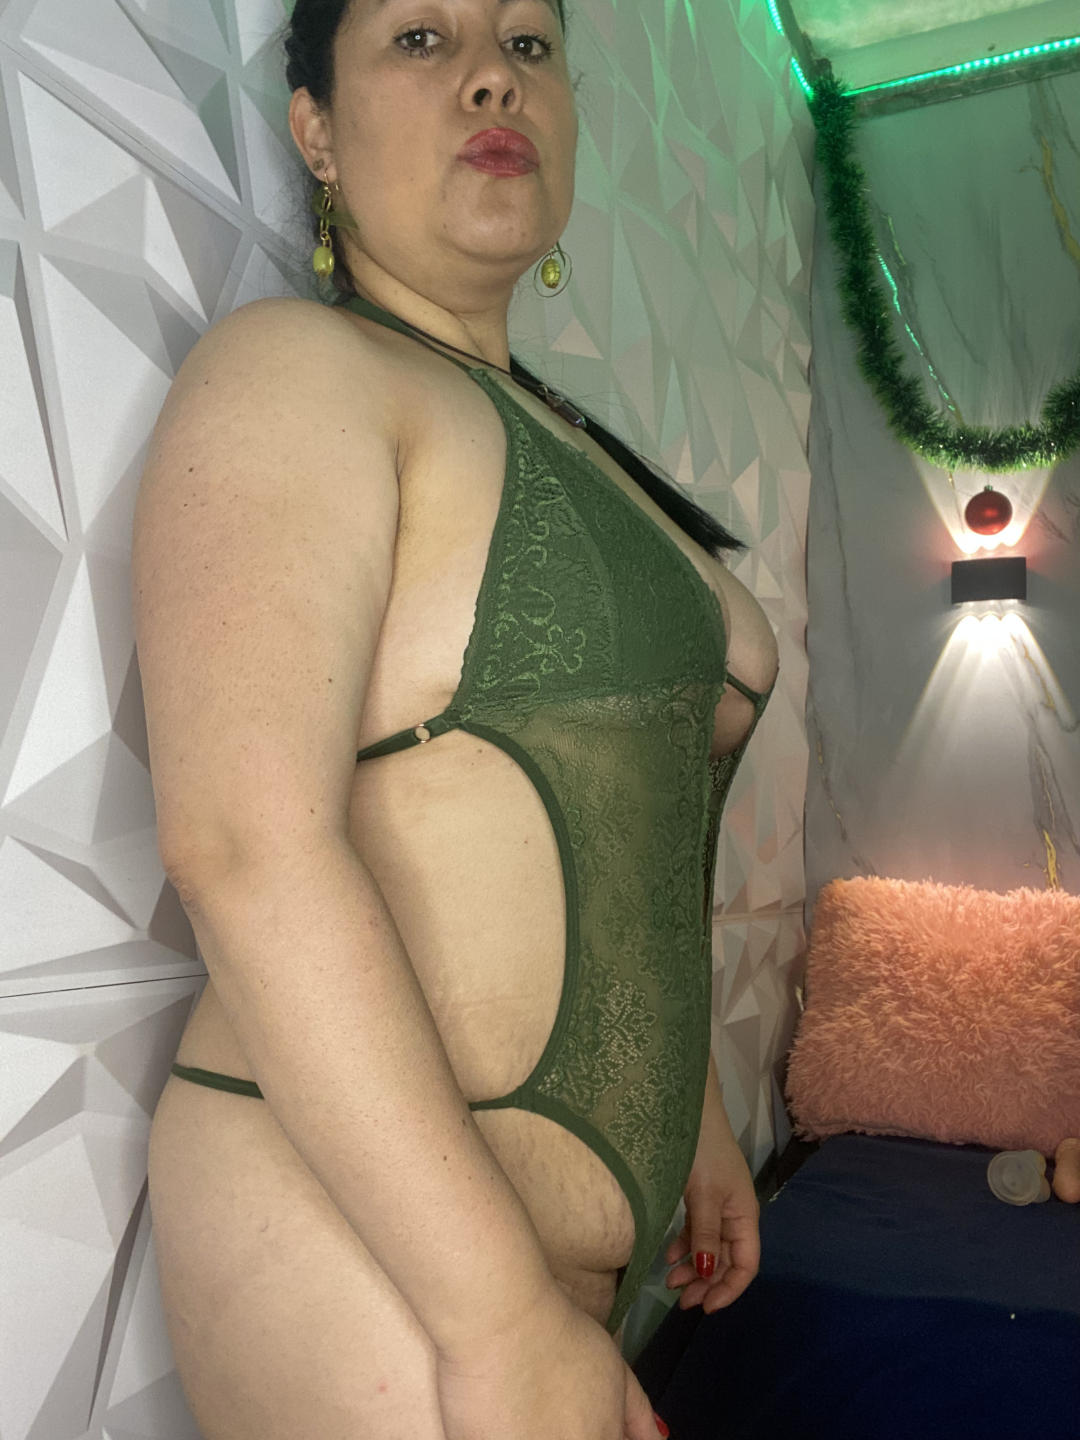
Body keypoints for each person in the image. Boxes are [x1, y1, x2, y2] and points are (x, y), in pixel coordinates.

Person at [134, 1, 778, 1437]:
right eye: (421, 39)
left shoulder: (564, 435)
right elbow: (241, 847)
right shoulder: (294, 372)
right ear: (315, 132)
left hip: (533, 1274)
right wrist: (500, 1320)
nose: (494, 73)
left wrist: (696, 1119)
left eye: (528, 44)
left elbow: (633, 830)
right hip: (380, 1253)